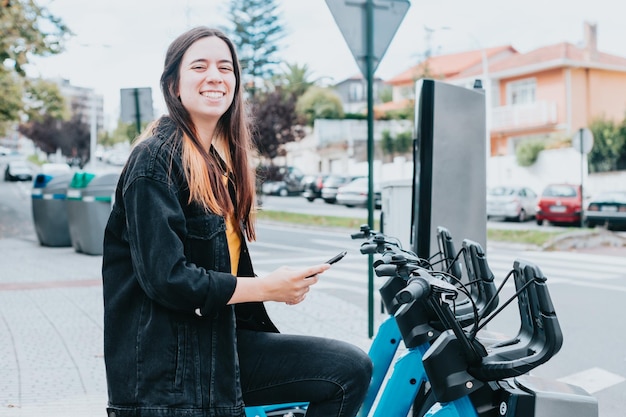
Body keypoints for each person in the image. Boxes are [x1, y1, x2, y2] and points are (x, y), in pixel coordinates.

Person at [102, 26, 372, 417]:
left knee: (348, 368)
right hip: (169, 374)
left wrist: (275, 287)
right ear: (174, 85)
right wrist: (267, 288)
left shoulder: (218, 163)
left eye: (225, 68)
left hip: (217, 347)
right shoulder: (155, 160)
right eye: (200, 66)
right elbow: (167, 279)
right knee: (347, 370)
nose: (215, 76)